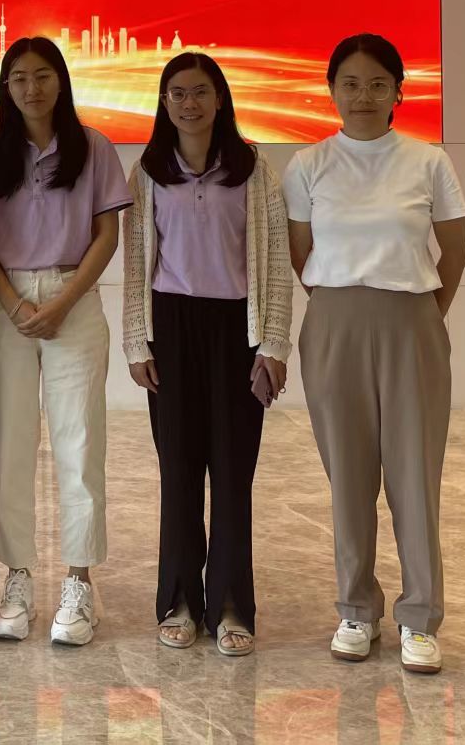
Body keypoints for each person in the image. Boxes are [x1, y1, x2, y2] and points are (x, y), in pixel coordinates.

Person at [283, 33, 465, 675]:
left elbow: (456, 251)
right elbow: (300, 253)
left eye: (377, 84)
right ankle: (356, 609)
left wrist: (425, 315)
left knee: (415, 474)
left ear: (398, 92)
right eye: (351, 84)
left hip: (411, 319)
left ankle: (420, 617)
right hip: (334, 322)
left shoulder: (428, 161)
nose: (363, 96)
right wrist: (343, 304)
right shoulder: (308, 165)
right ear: (331, 90)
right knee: (349, 476)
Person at [122, 51, 291, 658]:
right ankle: (179, 601)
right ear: (164, 103)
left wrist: (274, 343)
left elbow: (275, 263)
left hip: (237, 330)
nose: (188, 103)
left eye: (199, 92)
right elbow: (137, 263)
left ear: (220, 99)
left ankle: (231, 604)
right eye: (177, 93)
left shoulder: (255, 170)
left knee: (233, 472)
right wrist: (136, 340)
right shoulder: (148, 172)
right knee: (179, 471)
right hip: (171, 328)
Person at [0, 37, 129, 646]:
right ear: (5, 87)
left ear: (60, 81)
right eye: (18, 78)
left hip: (73, 299)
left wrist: (61, 302)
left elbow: (106, 236)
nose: (31, 88)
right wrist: (14, 304)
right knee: (10, 443)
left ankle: (79, 581)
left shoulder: (94, 148)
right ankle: (17, 578)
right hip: (7, 301)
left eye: (42, 76)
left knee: (80, 441)